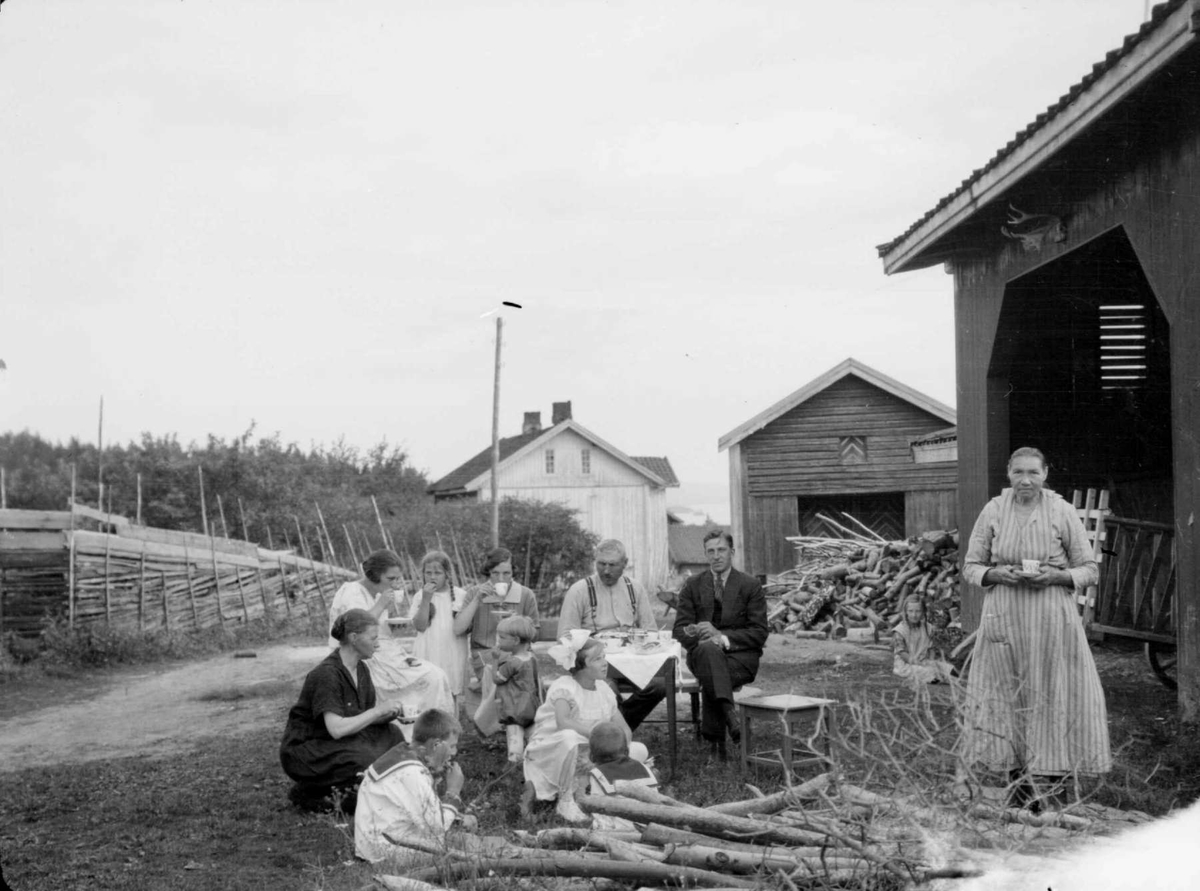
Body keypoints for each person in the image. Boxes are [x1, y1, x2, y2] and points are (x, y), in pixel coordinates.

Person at [961, 446, 1111, 807]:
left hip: (1051, 618)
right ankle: (1019, 792)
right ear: (1008, 474)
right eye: (1018, 473)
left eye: (1033, 472)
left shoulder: (1061, 511)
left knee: (1053, 693)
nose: (1025, 480)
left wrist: (1057, 576)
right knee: (1009, 697)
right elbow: (970, 566)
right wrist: (996, 573)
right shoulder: (993, 510)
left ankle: (1056, 791)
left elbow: (1090, 569)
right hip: (1004, 617)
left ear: (1045, 474)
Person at [280, 608, 405, 812]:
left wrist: (386, 716)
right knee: (364, 757)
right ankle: (311, 794)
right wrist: (377, 711)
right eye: (373, 638)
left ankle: (372, 788)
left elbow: (358, 718)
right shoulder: (327, 675)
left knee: (393, 735)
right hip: (308, 749)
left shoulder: (361, 669)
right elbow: (336, 728)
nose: (378, 643)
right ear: (354, 638)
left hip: (337, 740)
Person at [522, 637, 648, 824]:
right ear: (580, 665)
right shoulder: (565, 687)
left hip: (592, 750)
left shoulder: (604, 689)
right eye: (597, 659)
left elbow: (623, 728)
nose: (604, 663)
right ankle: (566, 798)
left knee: (640, 750)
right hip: (554, 748)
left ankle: (609, 788)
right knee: (569, 737)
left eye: (604, 657)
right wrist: (597, 738)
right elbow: (563, 722)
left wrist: (622, 748)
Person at [327, 550, 455, 721]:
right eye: (391, 579)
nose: (395, 584)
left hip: (383, 652)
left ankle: (430, 729)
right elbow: (355, 629)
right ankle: (414, 729)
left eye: (397, 579)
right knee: (432, 677)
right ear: (374, 574)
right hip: (362, 657)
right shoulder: (352, 592)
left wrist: (395, 624)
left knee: (436, 675)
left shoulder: (378, 593)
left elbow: (380, 629)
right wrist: (381, 604)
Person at [673, 530, 768, 758]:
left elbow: (759, 633)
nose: (716, 556)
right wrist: (695, 631)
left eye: (721, 550)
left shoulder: (750, 585)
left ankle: (714, 737)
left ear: (732, 552)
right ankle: (730, 717)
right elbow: (679, 629)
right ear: (706, 554)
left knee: (712, 667)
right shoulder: (693, 585)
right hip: (702, 655)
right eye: (711, 551)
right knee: (707, 650)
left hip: (740, 659)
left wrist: (721, 637)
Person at [558, 539, 663, 730]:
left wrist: (638, 639)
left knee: (660, 685)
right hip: (595, 662)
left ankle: (613, 730)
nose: (606, 571)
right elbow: (565, 636)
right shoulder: (579, 590)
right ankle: (615, 734)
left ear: (625, 563)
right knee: (606, 688)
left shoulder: (635, 588)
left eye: (612, 565)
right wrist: (592, 644)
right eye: (601, 564)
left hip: (632, 662)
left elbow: (651, 631)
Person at [354, 708, 477, 863]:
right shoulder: (411, 772)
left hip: (386, 837)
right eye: (452, 746)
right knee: (467, 853)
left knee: (466, 836)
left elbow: (419, 811)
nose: (454, 752)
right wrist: (453, 791)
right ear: (436, 745)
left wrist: (457, 819)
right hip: (385, 849)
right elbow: (436, 827)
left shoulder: (404, 754)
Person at [454, 547, 541, 689]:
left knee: (518, 675)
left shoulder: (525, 594)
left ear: (513, 572)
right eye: (495, 573)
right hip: (485, 655)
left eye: (506, 573)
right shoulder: (475, 593)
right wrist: (477, 600)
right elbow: (458, 629)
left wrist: (518, 624)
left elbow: (536, 635)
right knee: (501, 683)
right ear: (488, 572)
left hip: (518, 655)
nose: (501, 579)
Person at [408, 550, 471, 700]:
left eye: (437, 573)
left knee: (450, 691)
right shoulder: (420, 596)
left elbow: (466, 626)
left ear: (447, 574)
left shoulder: (461, 596)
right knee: (427, 692)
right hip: (428, 650)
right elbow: (420, 626)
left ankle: (451, 722)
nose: (432, 577)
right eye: (428, 573)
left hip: (452, 650)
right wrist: (426, 599)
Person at [492, 614, 542, 762]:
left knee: (515, 736)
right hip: (531, 706)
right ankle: (535, 758)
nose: (498, 640)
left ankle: (515, 760)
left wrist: (495, 660)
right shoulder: (532, 658)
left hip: (514, 707)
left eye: (502, 637)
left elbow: (496, 679)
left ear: (515, 640)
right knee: (533, 736)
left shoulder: (512, 663)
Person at [892, 597, 955, 685]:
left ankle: (952, 678)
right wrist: (917, 662)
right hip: (906, 664)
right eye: (910, 611)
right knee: (929, 672)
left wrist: (931, 661)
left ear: (923, 612)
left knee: (948, 668)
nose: (914, 615)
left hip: (923, 660)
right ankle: (938, 679)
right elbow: (901, 653)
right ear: (906, 612)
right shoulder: (900, 630)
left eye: (918, 611)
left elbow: (931, 648)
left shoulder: (928, 628)